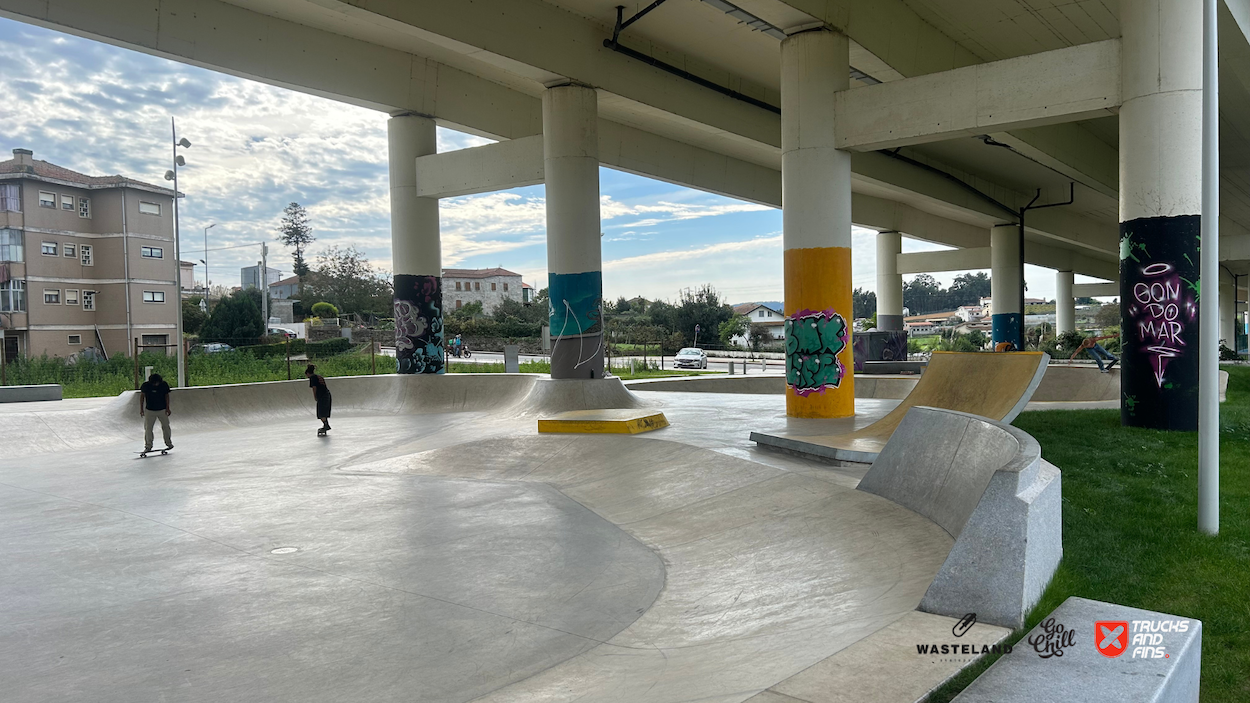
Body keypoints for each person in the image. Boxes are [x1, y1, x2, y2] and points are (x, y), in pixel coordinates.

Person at [138, 372, 173, 452]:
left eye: (157, 383)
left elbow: (167, 396)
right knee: (148, 428)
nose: (156, 384)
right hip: (150, 410)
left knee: (166, 426)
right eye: (154, 383)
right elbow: (142, 397)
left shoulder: (163, 385)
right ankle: (148, 446)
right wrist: (141, 409)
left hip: (162, 410)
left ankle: (168, 443)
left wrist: (168, 408)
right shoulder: (146, 386)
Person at [305, 364, 332, 433]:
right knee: (323, 412)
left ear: (308, 373)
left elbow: (314, 388)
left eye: (306, 375)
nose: (307, 377)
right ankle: (326, 425)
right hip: (327, 395)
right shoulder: (318, 376)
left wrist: (315, 396)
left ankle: (326, 425)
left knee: (321, 413)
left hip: (322, 396)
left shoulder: (312, 378)